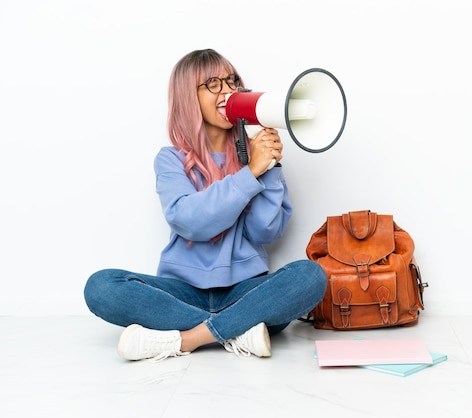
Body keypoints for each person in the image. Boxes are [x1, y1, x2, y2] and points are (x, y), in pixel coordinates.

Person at [84, 48, 327, 362]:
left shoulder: (249, 156)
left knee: (310, 276)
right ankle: (239, 329)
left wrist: (269, 168)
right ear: (189, 97)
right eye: (213, 84)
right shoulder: (170, 160)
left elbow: (265, 231)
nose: (227, 91)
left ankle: (187, 339)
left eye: (231, 81)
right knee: (101, 286)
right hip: (183, 293)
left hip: (245, 290)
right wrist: (251, 172)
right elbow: (191, 222)